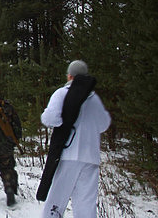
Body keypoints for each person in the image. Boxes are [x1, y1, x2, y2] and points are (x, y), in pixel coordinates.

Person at [40, 60, 111, 218]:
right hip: (91, 158)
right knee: (85, 203)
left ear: (69, 76)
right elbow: (104, 124)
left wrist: (63, 121)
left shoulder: (62, 93)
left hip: (68, 155)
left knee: (57, 200)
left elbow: (50, 118)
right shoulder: (95, 99)